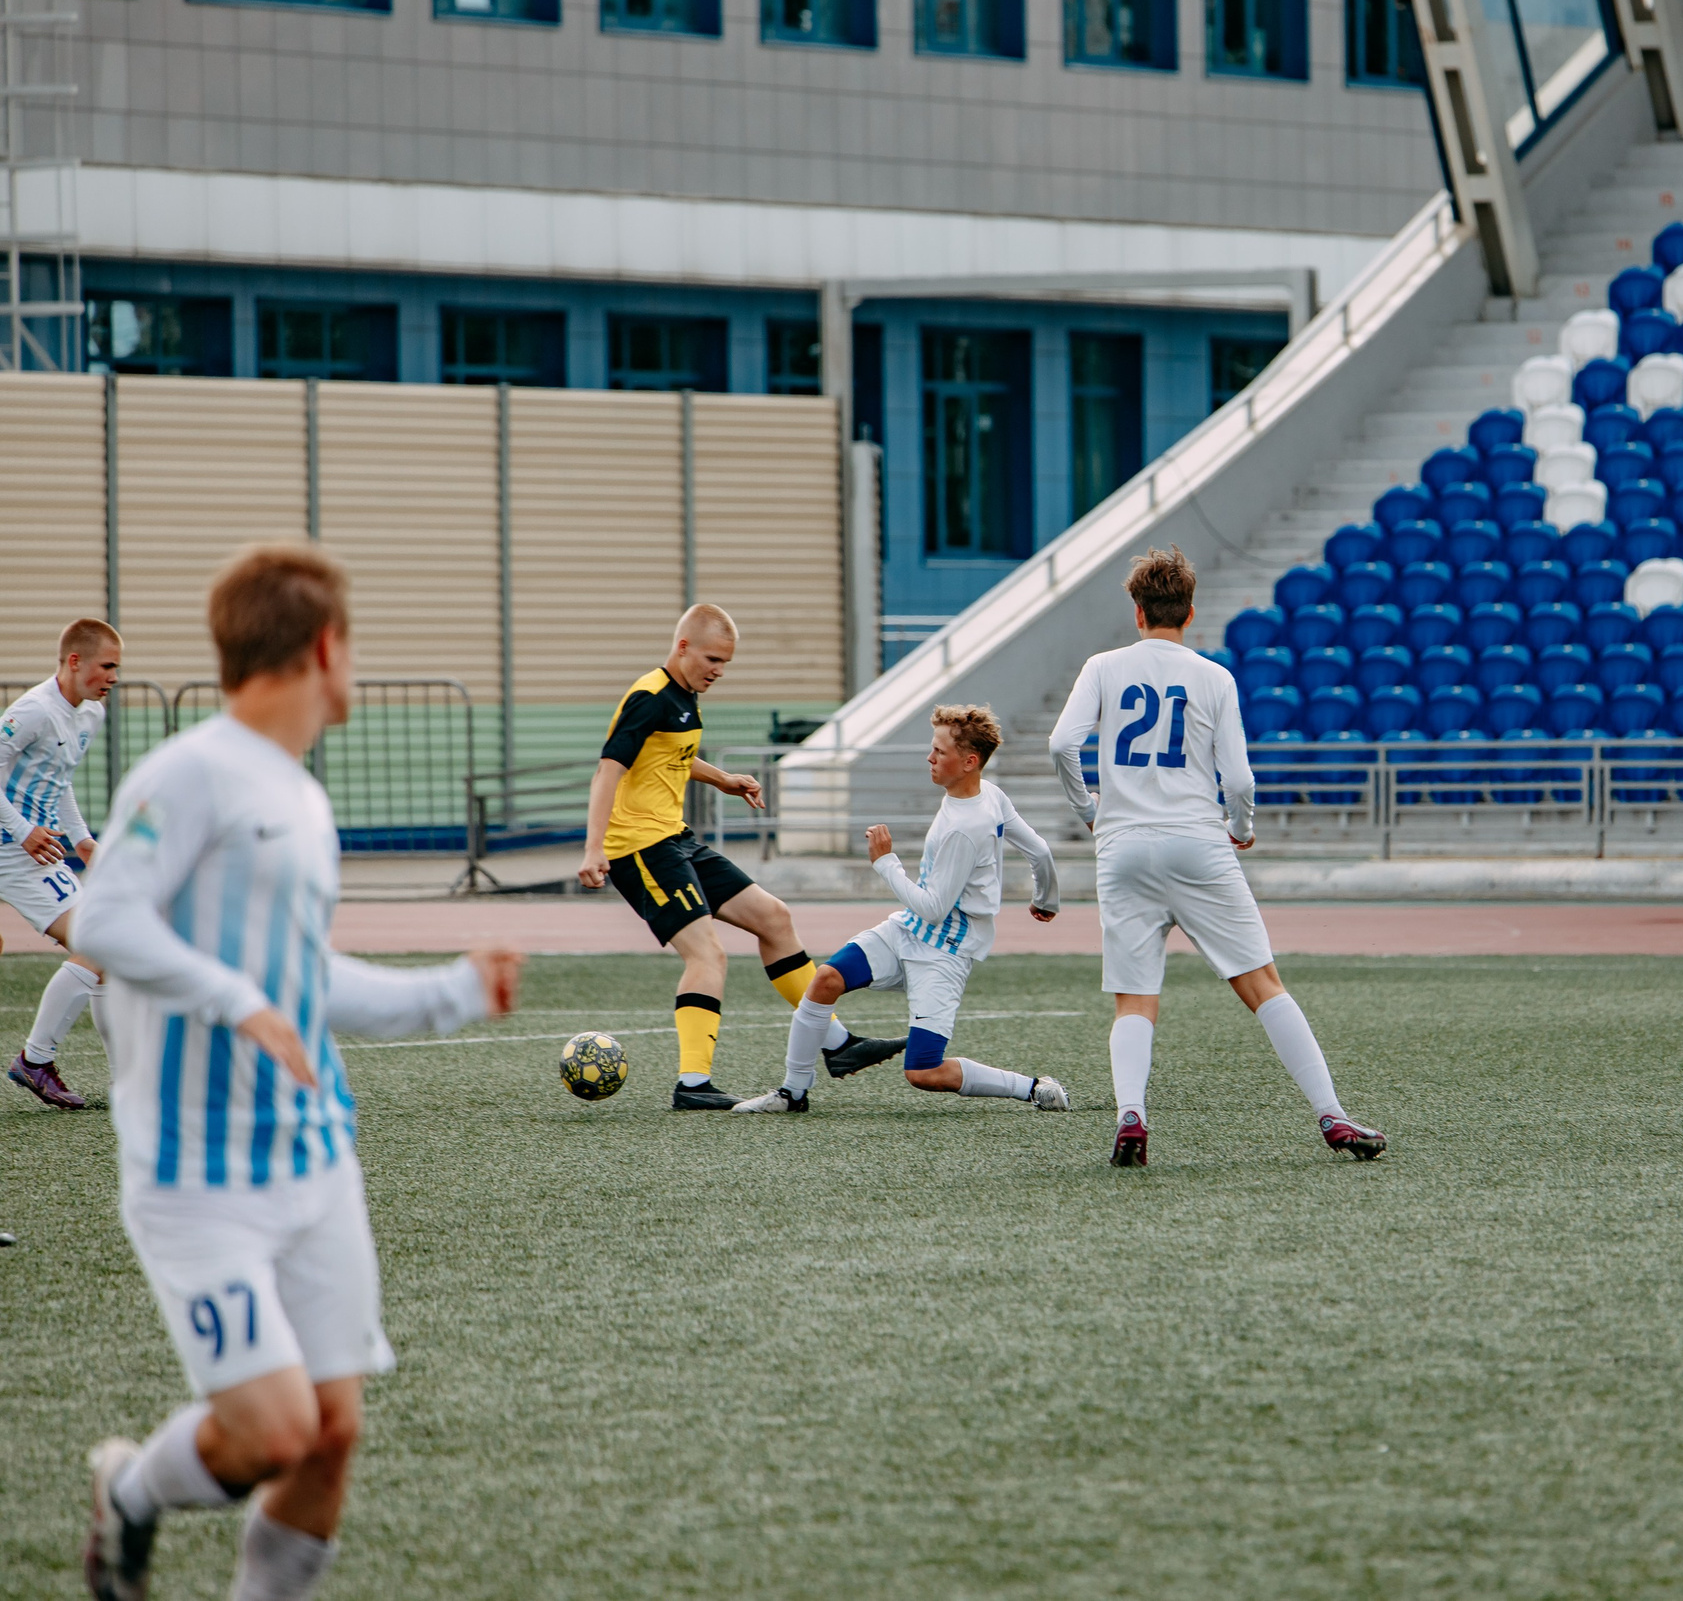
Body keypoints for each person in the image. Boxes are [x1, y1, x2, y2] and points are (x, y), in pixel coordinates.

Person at [73, 545, 523, 1601]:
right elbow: (103, 920)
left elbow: (300, 978)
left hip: (316, 1166)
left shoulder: (305, 801)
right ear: (324, 647)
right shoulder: (190, 772)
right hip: (197, 1178)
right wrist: (235, 999)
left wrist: (451, 992)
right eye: (353, 644)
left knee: (331, 1435)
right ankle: (130, 1493)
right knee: (274, 1431)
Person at [1047, 547, 1384, 1167]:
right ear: (1191, 612)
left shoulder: (1102, 667)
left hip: (1122, 848)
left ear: (1138, 612)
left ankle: (1131, 1115)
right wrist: (1241, 826)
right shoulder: (1214, 677)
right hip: (1198, 842)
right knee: (1262, 985)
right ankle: (1331, 1115)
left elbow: (1061, 744)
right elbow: (1241, 779)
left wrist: (1089, 811)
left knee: (1134, 998)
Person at [575, 605, 895, 1109]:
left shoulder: (684, 695)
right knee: (707, 954)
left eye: (725, 662)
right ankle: (692, 1085)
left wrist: (722, 778)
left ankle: (837, 1044)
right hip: (639, 848)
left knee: (773, 917)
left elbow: (669, 756)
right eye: (712, 659)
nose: (719, 671)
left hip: (674, 837)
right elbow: (607, 772)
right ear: (683, 647)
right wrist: (594, 848)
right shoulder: (649, 697)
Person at [737, 705, 1067, 1116]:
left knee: (924, 1072)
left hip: (943, 952)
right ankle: (792, 1093)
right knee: (825, 980)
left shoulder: (966, 828)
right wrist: (1046, 900)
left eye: (939, 752)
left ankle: (1033, 1088)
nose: (930, 758)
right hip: (907, 931)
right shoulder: (989, 794)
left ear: (969, 762)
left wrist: (885, 863)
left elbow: (934, 908)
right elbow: (1039, 850)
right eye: (932, 748)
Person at [3, 618, 121, 1111]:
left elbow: (59, 778)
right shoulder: (33, 711)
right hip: (13, 848)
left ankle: (126, 1082)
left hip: (35, 850)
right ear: (75, 661)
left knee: (106, 953)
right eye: (107, 665)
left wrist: (83, 839)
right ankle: (35, 1059)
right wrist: (22, 831)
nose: (114, 676)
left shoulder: (90, 713)